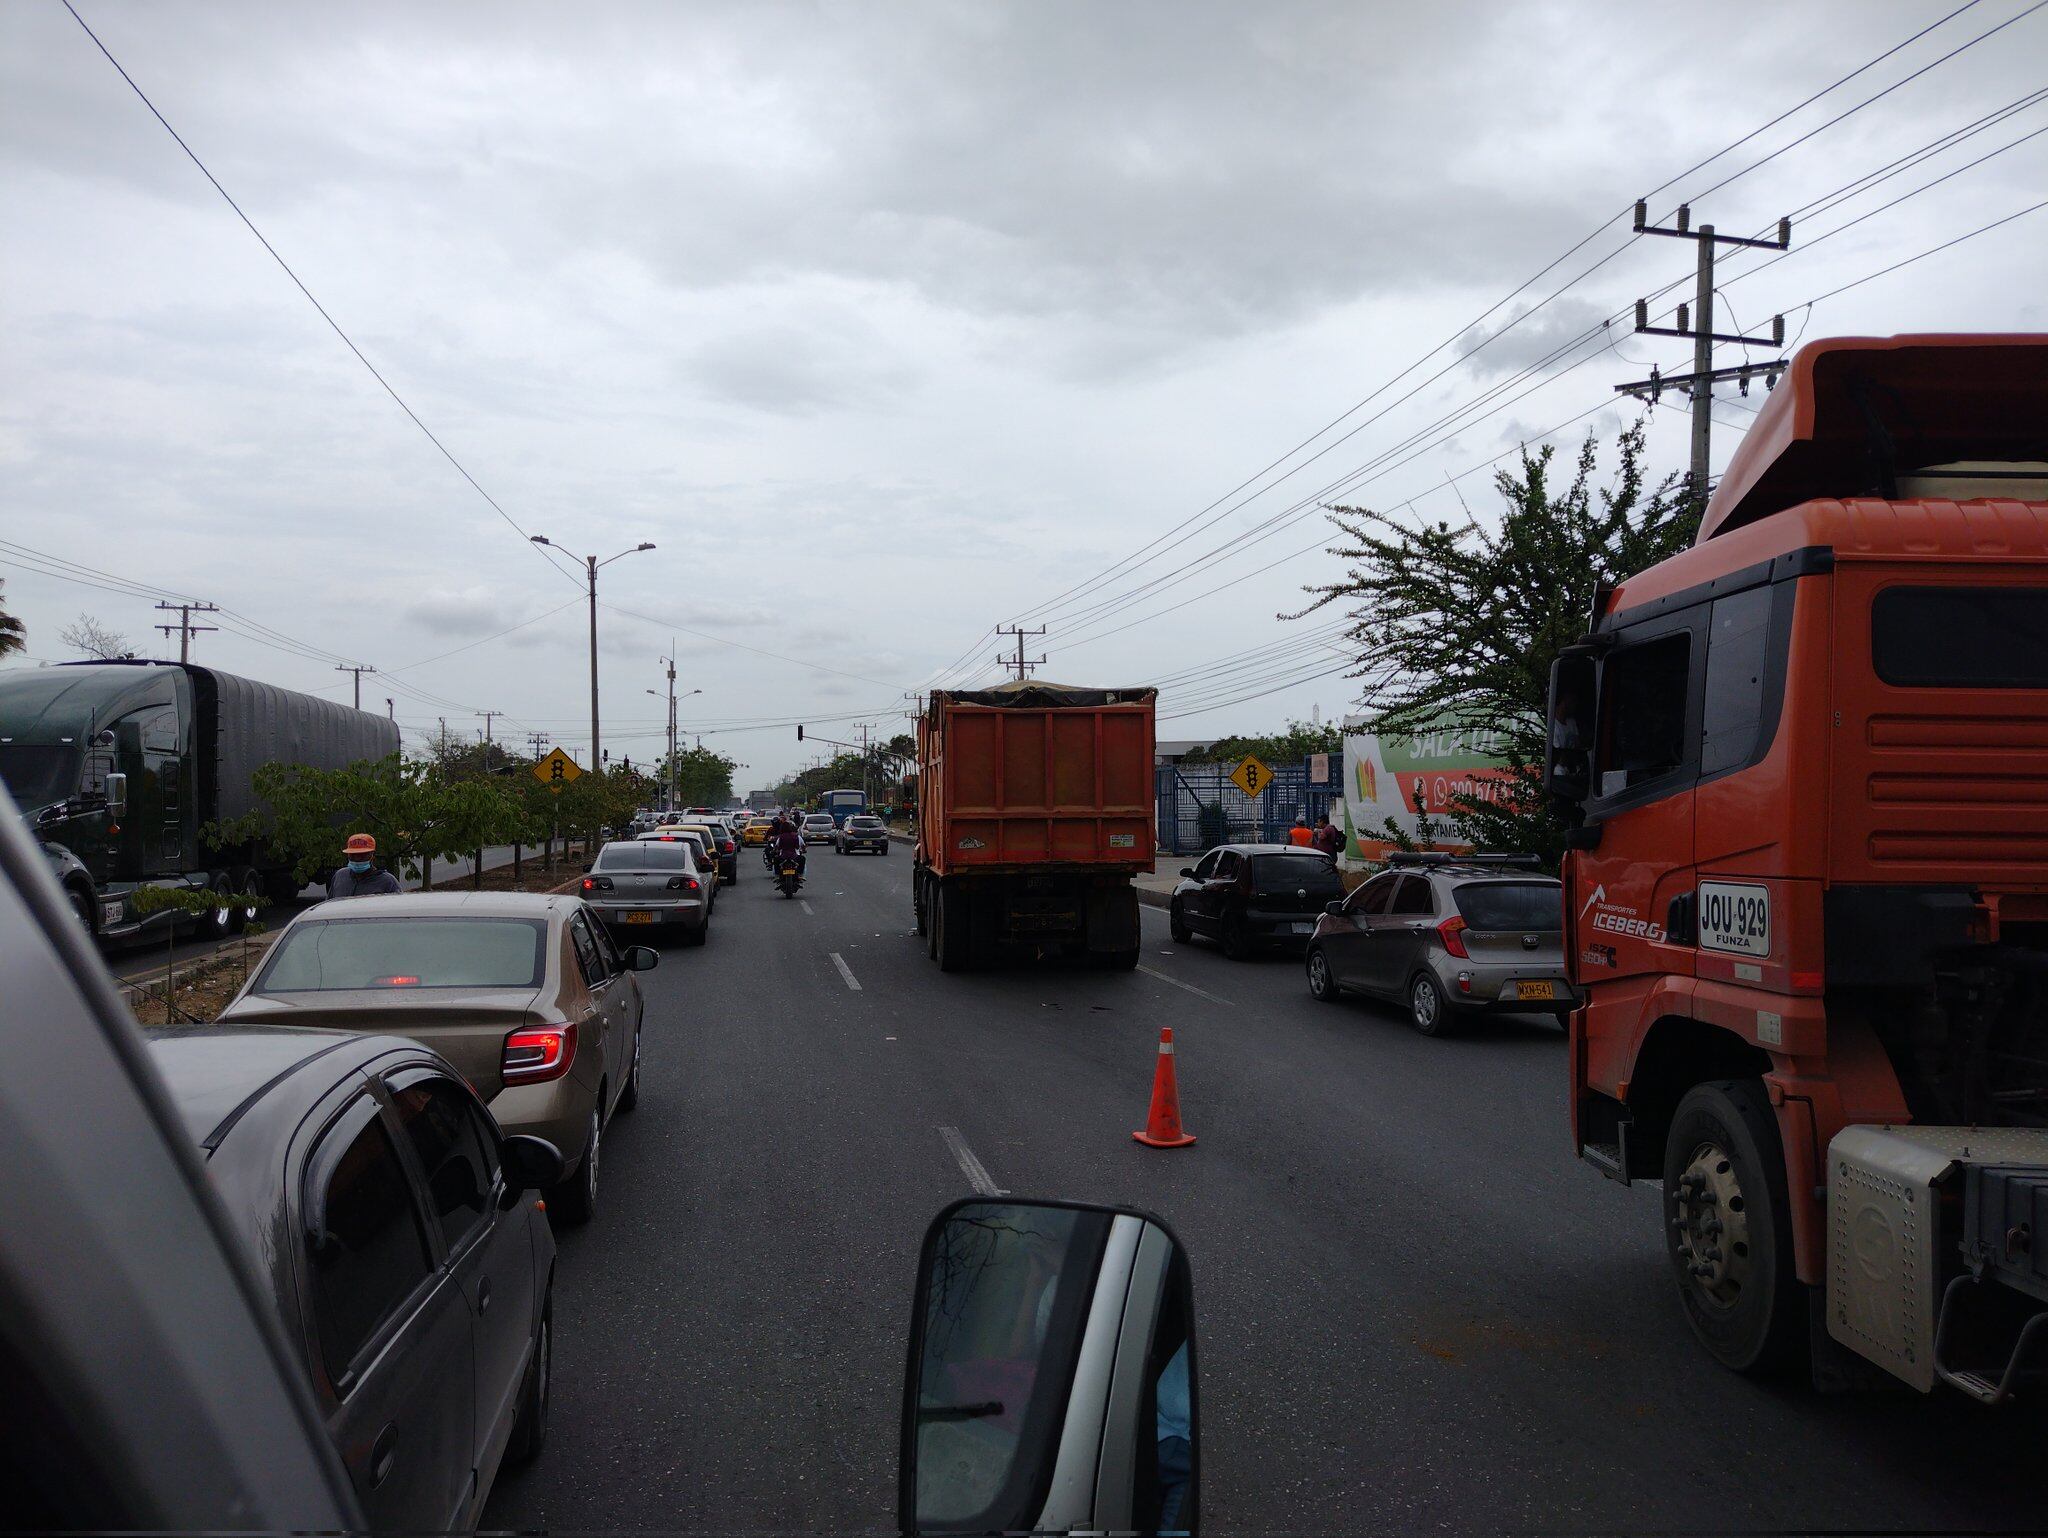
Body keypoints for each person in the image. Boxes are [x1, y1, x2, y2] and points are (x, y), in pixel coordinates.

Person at [327, 832, 399, 900]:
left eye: (362, 854)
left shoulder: (387, 881)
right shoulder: (340, 876)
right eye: (353, 854)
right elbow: (328, 906)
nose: (357, 858)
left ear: (372, 855)